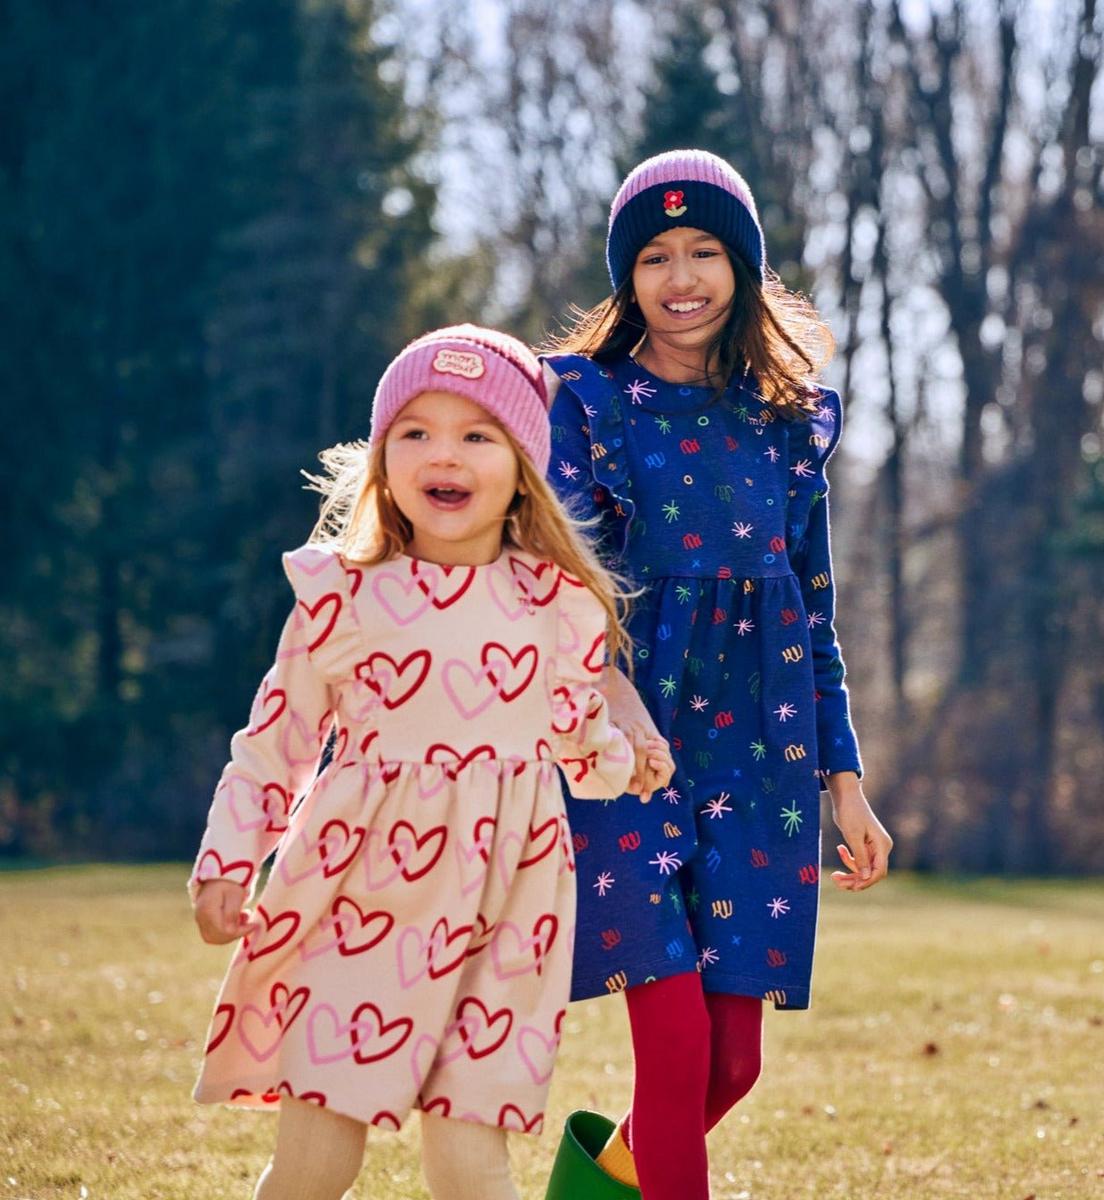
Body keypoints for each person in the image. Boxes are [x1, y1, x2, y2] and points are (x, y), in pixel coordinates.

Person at [188, 324, 673, 1200]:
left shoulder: (554, 606)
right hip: (360, 902)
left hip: (506, 914)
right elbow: (275, 740)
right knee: (315, 1155)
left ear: (524, 464)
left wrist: (623, 758)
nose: (442, 453)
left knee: (470, 1160)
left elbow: (574, 744)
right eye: (414, 431)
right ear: (381, 460)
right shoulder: (346, 594)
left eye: (476, 434)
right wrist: (227, 857)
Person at [539, 151, 894, 1200]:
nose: (680, 276)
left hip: (762, 750)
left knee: (734, 1061)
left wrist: (847, 784)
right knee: (678, 1046)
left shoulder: (787, 422)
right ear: (626, 274)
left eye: (704, 252)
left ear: (742, 269)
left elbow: (813, 612)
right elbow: (565, 583)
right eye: (654, 255)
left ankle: (589, 1190)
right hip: (630, 750)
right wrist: (616, 713)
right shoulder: (588, 402)